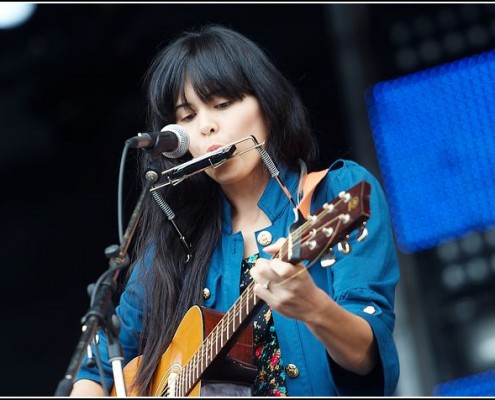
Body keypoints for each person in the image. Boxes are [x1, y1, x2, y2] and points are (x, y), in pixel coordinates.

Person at [71, 24, 400, 397]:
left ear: (267, 104)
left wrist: (315, 309)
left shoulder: (334, 194)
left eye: (222, 104)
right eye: (187, 116)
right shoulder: (173, 246)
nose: (207, 126)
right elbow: (93, 368)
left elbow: (368, 356)